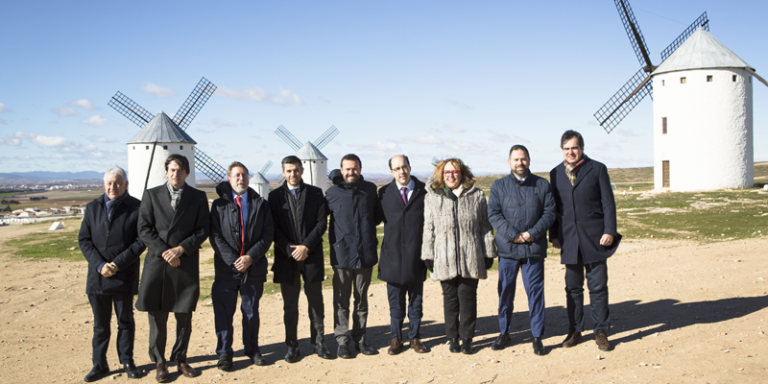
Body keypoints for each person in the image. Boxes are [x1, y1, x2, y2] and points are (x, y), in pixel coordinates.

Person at [136, 154, 210, 382]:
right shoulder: (151, 195)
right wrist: (165, 252)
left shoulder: (198, 197)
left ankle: (181, 359)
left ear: (187, 172)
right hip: (158, 265)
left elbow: (202, 229)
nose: (175, 174)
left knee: (183, 316)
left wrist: (181, 249)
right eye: (171, 169)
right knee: (157, 318)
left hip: (184, 264)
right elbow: (144, 229)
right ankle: (159, 363)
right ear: (166, 171)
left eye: (179, 170)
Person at [549, 130, 621, 352]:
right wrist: (554, 235)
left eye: (574, 147)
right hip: (569, 239)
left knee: (598, 287)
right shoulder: (555, 173)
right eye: (567, 148)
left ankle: (600, 330)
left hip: (595, 238)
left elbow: (608, 203)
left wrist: (610, 230)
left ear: (581, 148)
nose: (571, 152)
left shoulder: (597, 169)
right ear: (562, 150)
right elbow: (553, 208)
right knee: (573, 288)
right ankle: (575, 330)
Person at [421, 158, 497, 354]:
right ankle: (452, 337)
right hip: (443, 255)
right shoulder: (432, 197)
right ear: (441, 175)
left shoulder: (477, 195)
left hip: (470, 254)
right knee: (450, 299)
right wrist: (428, 254)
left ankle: (468, 338)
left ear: (462, 173)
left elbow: (485, 226)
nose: (451, 176)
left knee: (468, 297)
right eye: (447, 173)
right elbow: (428, 228)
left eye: (455, 172)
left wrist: (488, 251)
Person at [79, 167, 146, 382]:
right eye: (109, 183)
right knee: (100, 326)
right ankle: (99, 364)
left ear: (125, 184)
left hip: (123, 275)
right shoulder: (92, 208)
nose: (112, 187)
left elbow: (141, 240)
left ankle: (127, 361)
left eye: (117, 183)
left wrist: (117, 263)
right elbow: (84, 240)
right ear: (104, 185)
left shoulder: (136, 208)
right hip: (98, 277)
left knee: (125, 322)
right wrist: (100, 265)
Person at [488, 145, 555, 356]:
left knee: (535, 292)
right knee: (505, 292)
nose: (520, 163)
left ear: (529, 160)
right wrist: (513, 234)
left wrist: (531, 234)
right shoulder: (498, 186)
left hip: (533, 248)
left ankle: (537, 336)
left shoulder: (542, 185)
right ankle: (504, 332)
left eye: (523, 159)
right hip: (508, 250)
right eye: (516, 159)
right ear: (509, 162)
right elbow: (494, 214)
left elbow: (549, 213)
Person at [210, 162, 274, 370]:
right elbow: (215, 236)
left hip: (253, 268)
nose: (241, 179)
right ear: (229, 179)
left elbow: (267, 234)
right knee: (224, 312)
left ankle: (252, 349)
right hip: (226, 269)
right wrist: (233, 260)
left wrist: (249, 258)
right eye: (237, 175)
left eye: (244, 175)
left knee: (251, 312)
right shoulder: (218, 205)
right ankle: (225, 353)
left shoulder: (261, 204)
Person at [269, 156, 331, 362]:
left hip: (311, 256)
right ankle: (292, 347)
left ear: (302, 170)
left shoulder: (315, 193)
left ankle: (319, 343)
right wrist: (289, 249)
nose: (292, 174)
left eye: (295, 170)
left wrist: (306, 246)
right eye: (288, 171)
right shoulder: (274, 196)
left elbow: (321, 222)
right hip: (287, 259)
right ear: (283, 172)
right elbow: (273, 228)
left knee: (316, 303)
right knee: (290, 306)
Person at [325, 154, 383, 359]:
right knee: (341, 300)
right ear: (341, 170)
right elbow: (319, 219)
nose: (351, 172)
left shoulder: (369, 190)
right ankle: (342, 342)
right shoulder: (332, 193)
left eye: (355, 168)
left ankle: (360, 339)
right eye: (347, 169)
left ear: (360, 169)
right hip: (342, 255)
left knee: (361, 300)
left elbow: (377, 216)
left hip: (365, 253)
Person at [378, 155, 428, 355]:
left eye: (404, 167)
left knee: (416, 303)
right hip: (393, 259)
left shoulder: (425, 191)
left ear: (410, 167)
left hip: (417, 257)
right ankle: (396, 338)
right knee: (395, 304)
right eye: (397, 168)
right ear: (391, 172)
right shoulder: (383, 193)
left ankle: (415, 338)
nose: (402, 171)